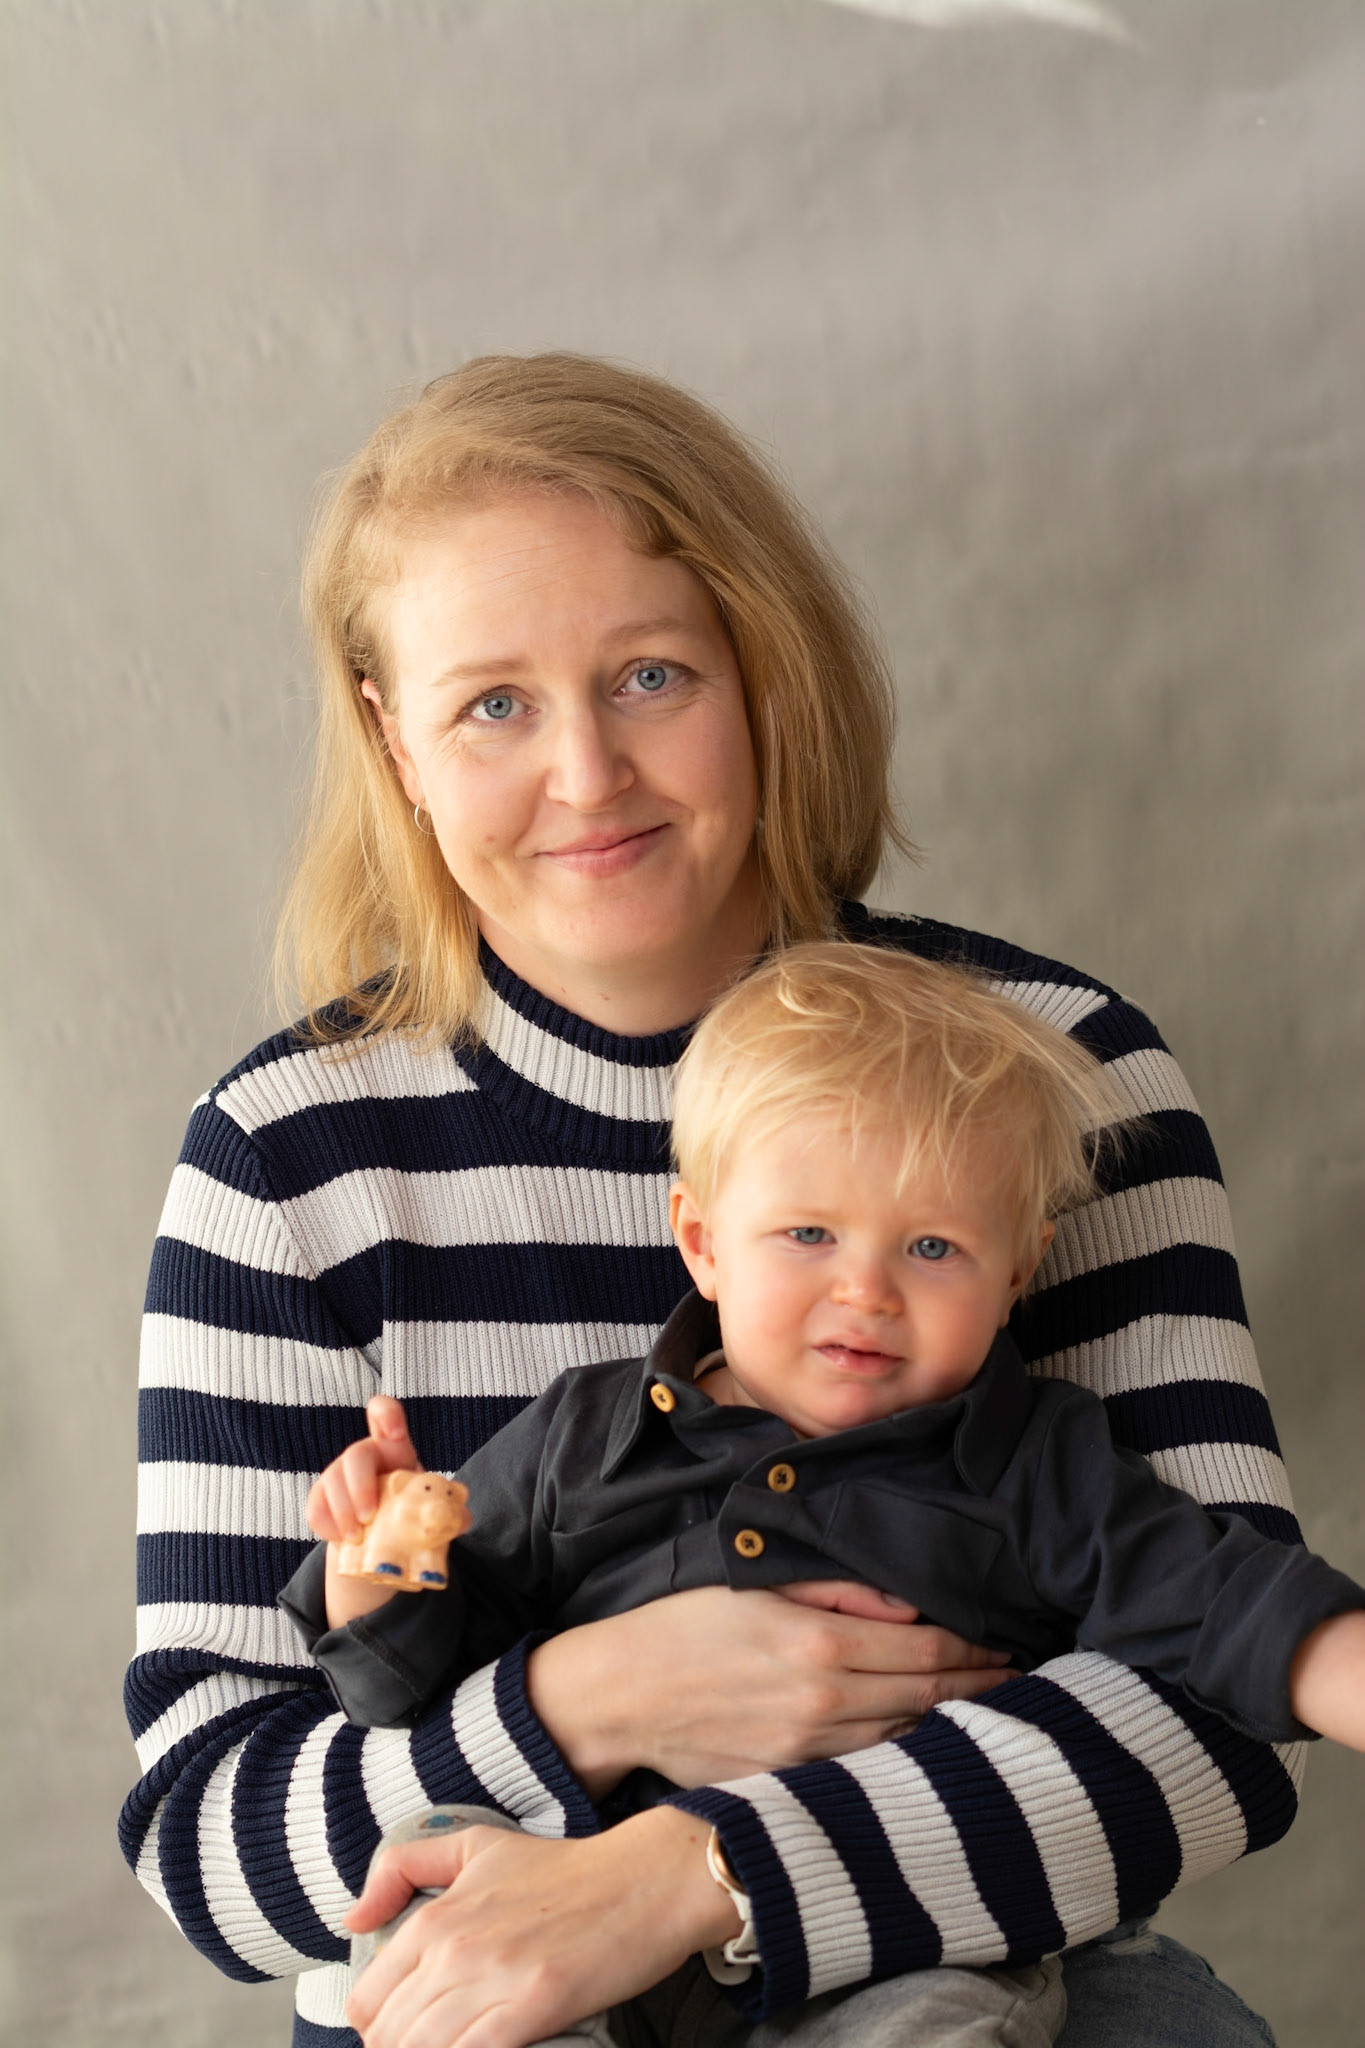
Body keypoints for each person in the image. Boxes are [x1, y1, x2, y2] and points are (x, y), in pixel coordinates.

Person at [122, 353, 1298, 2048]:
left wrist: (708, 1871)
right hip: (485, 1981)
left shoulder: (1058, 1074)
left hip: (963, 1966)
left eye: (650, 675)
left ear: (762, 668)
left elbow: (1225, 1703)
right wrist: (587, 1704)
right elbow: (209, 1831)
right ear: (394, 739)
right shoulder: (286, 1156)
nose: (588, 773)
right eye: (494, 705)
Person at [286, 943, 1365, 2047]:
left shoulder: (1030, 1459)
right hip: (559, 1906)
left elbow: (1223, 1601)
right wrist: (377, 1559)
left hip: (882, 1946)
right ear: (702, 1243)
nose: (866, 1290)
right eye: (808, 1234)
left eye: (933, 1246)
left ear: (1017, 1273)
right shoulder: (589, 1431)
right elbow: (408, 1680)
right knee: (427, 1856)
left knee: (947, 2019)